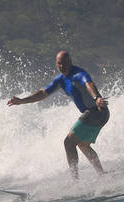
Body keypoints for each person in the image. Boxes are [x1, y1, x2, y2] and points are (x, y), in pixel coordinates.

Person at [7, 50, 110, 178]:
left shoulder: (78, 74)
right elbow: (43, 93)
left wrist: (96, 98)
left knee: (68, 142)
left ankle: (75, 180)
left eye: (65, 63)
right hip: (98, 114)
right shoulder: (60, 80)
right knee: (83, 145)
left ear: (70, 62)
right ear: (56, 64)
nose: (62, 66)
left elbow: (89, 84)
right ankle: (102, 175)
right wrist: (22, 101)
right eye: (59, 63)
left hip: (97, 111)